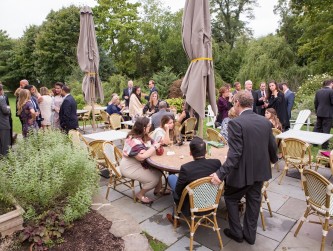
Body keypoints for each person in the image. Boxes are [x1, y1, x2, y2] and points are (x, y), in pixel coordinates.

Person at [211, 91, 278, 245]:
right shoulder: (265, 122)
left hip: (242, 173)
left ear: (237, 104)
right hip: (260, 171)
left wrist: (220, 174)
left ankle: (236, 232)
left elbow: (235, 154)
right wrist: (273, 160)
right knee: (254, 202)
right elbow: (272, 148)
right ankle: (250, 235)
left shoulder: (236, 123)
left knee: (230, 197)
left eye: (233, 103)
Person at [166, 137, 222, 224]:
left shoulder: (186, 168)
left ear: (190, 153)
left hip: (191, 205)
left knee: (171, 178)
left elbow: (178, 191)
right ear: (206, 152)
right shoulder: (216, 163)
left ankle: (175, 217)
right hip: (212, 201)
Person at [119, 117, 162, 204]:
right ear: (143, 128)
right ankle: (140, 194)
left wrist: (157, 144)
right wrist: (154, 147)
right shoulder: (132, 139)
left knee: (159, 171)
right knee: (154, 179)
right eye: (149, 126)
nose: (150, 127)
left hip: (137, 164)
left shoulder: (144, 135)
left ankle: (158, 190)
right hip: (128, 167)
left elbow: (153, 142)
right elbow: (141, 157)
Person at [313, 79, 333, 149]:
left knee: (317, 127)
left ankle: (314, 142)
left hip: (319, 112)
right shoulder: (331, 91)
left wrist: (316, 111)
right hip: (328, 114)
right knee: (326, 129)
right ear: (331, 83)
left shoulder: (318, 91)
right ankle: (324, 145)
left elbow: (315, 102)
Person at [0, 84, 11, 156]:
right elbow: (5, 111)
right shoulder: (1, 98)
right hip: (3, 122)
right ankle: (5, 157)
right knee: (5, 141)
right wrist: (8, 108)